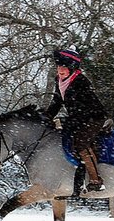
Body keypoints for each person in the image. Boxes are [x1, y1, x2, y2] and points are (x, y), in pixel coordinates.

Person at [46, 47, 108, 192]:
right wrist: (46, 116)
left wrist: (65, 121)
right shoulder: (59, 81)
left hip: (93, 118)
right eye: (58, 67)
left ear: (72, 68)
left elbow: (83, 109)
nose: (60, 70)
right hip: (78, 117)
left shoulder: (80, 82)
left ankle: (96, 180)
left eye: (64, 67)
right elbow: (57, 101)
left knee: (80, 142)